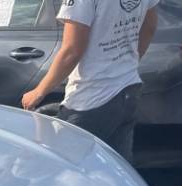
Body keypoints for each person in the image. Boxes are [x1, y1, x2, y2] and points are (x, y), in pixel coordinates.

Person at [21, 0, 160, 162]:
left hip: (92, 99)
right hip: (128, 89)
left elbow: (72, 50)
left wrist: (39, 92)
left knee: (62, 170)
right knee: (115, 171)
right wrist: (128, 63)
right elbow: (150, 27)